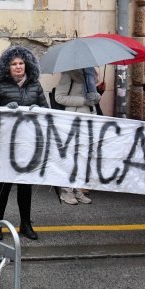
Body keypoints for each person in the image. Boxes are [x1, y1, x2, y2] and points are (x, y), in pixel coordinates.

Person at [0, 45, 48, 240]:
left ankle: (26, 224)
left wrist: (39, 109)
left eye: (21, 63)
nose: (18, 67)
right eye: (14, 64)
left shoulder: (35, 86)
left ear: (27, 65)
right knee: (4, 184)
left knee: (25, 185)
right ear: (7, 67)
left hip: (28, 143)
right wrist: (5, 109)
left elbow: (47, 110)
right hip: (6, 143)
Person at [53, 68, 99, 205]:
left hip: (89, 118)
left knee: (84, 156)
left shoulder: (91, 73)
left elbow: (94, 96)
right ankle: (66, 191)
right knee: (70, 156)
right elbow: (59, 97)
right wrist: (83, 100)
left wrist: (96, 96)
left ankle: (78, 189)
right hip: (73, 119)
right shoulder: (68, 73)